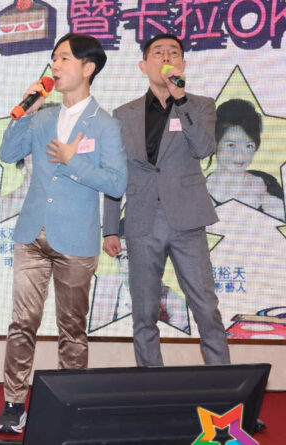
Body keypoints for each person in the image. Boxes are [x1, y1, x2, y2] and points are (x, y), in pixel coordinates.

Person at [0, 33, 127, 434]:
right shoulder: (42, 117)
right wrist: (26, 109)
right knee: (22, 323)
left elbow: (117, 183)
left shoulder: (105, 125)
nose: (55, 65)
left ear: (88, 68)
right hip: (31, 235)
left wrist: (73, 162)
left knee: (72, 330)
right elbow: (8, 153)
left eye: (64, 58)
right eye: (54, 58)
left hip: (76, 240)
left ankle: (71, 405)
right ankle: (13, 403)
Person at [102, 34, 231, 369]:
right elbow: (116, 173)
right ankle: (151, 385)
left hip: (187, 219)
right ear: (143, 65)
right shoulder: (123, 114)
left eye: (173, 53)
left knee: (205, 306)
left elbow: (204, 149)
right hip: (142, 221)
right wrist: (110, 228)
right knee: (144, 311)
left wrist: (180, 99)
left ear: (183, 64)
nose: (166, 57)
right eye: (158, 53)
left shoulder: (201, 105)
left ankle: (224, 385)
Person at [207, 98, 284, 220]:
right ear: (215, 143)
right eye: (231, 145)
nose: (240, 155)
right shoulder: (199, 192)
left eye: (249, 146)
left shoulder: (269, 185)